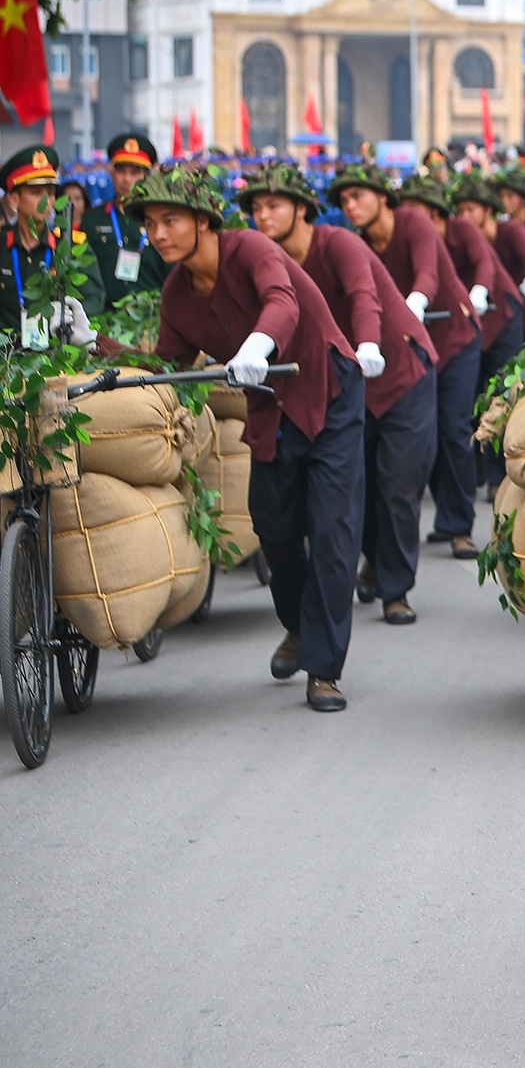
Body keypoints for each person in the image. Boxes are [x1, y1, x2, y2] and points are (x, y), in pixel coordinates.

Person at [124, 165, 365, 712]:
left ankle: (324, 670)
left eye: (170, 220)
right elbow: (169, 366)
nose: (158, 234)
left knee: (332, 530)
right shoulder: (176, 294)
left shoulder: (251, 248)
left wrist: (256, 346)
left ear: (204, 220)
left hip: (326, 388)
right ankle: (299, 626)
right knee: (273, 526)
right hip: (270, 407)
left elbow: (283, 302)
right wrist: (102, 347)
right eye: (150, 224)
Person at [242, 160, 438, 627]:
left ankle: (395, 590)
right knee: (357, 491)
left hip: (398, 370)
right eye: (256, 208)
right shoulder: (266, 260)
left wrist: (368, 343)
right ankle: (375, 561)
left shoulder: (338, 243)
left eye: (274, 205)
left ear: (302, 209)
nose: (263, 216)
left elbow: (362, 297)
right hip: (344, 386)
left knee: (396, 484)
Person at [330, 160, 485, 560]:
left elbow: (427, 275)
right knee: (420, 441)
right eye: (344, 200)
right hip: (410, 350)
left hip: (454, 336)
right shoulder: (358, 243)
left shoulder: (414, 222)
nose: (350, 206)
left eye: (357, 196)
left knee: (452, 428)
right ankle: (404, 531)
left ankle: (459, 526)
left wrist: (411, 306)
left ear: (383, 198)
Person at [399, 174, 525, 498]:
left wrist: (480, 289)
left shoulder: (462, 230)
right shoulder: (410, 239)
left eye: (414, 207)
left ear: (435, 212)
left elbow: (485, 263)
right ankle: (470, 472)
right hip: (446, 329)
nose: (405, 215)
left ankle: (495, 477)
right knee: (455, 412)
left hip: (495, 316)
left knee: (496, 393)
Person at [2, 144, 104, 343]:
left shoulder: (72, 246)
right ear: (14, 200)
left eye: (50, 192)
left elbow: (95, 299)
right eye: (36, 192)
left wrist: (70, 318)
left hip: (58, 352)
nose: (46, 200)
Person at [453, 174, 525, 339]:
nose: (464, 216)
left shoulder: (512, 229)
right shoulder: (478, 240)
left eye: (470, 210)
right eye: (460, 211)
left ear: (488, 210)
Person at [81, 133, 171, 309]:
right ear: (112, 173)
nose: (127, 179)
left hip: (151, 315)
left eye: (135, 172)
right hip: (105, 315)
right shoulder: (92, 220)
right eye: (121, 171)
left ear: (146, 176)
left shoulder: (160, 220)